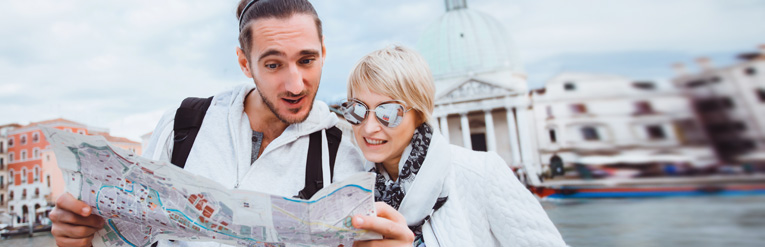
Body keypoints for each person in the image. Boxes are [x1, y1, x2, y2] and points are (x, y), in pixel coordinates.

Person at [48, 1, 413, 246]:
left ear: (323, 52)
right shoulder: (184, 123)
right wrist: (79, 236)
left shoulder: (347, 150)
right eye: (273, 64)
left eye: (307, 60)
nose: (295, 84)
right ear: (244, 63)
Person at [341, 45, 567, 246]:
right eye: (357, 109)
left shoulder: (483, 173)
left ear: (419, 114)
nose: (369, 127)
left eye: (388, 112)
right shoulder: (349, 188)